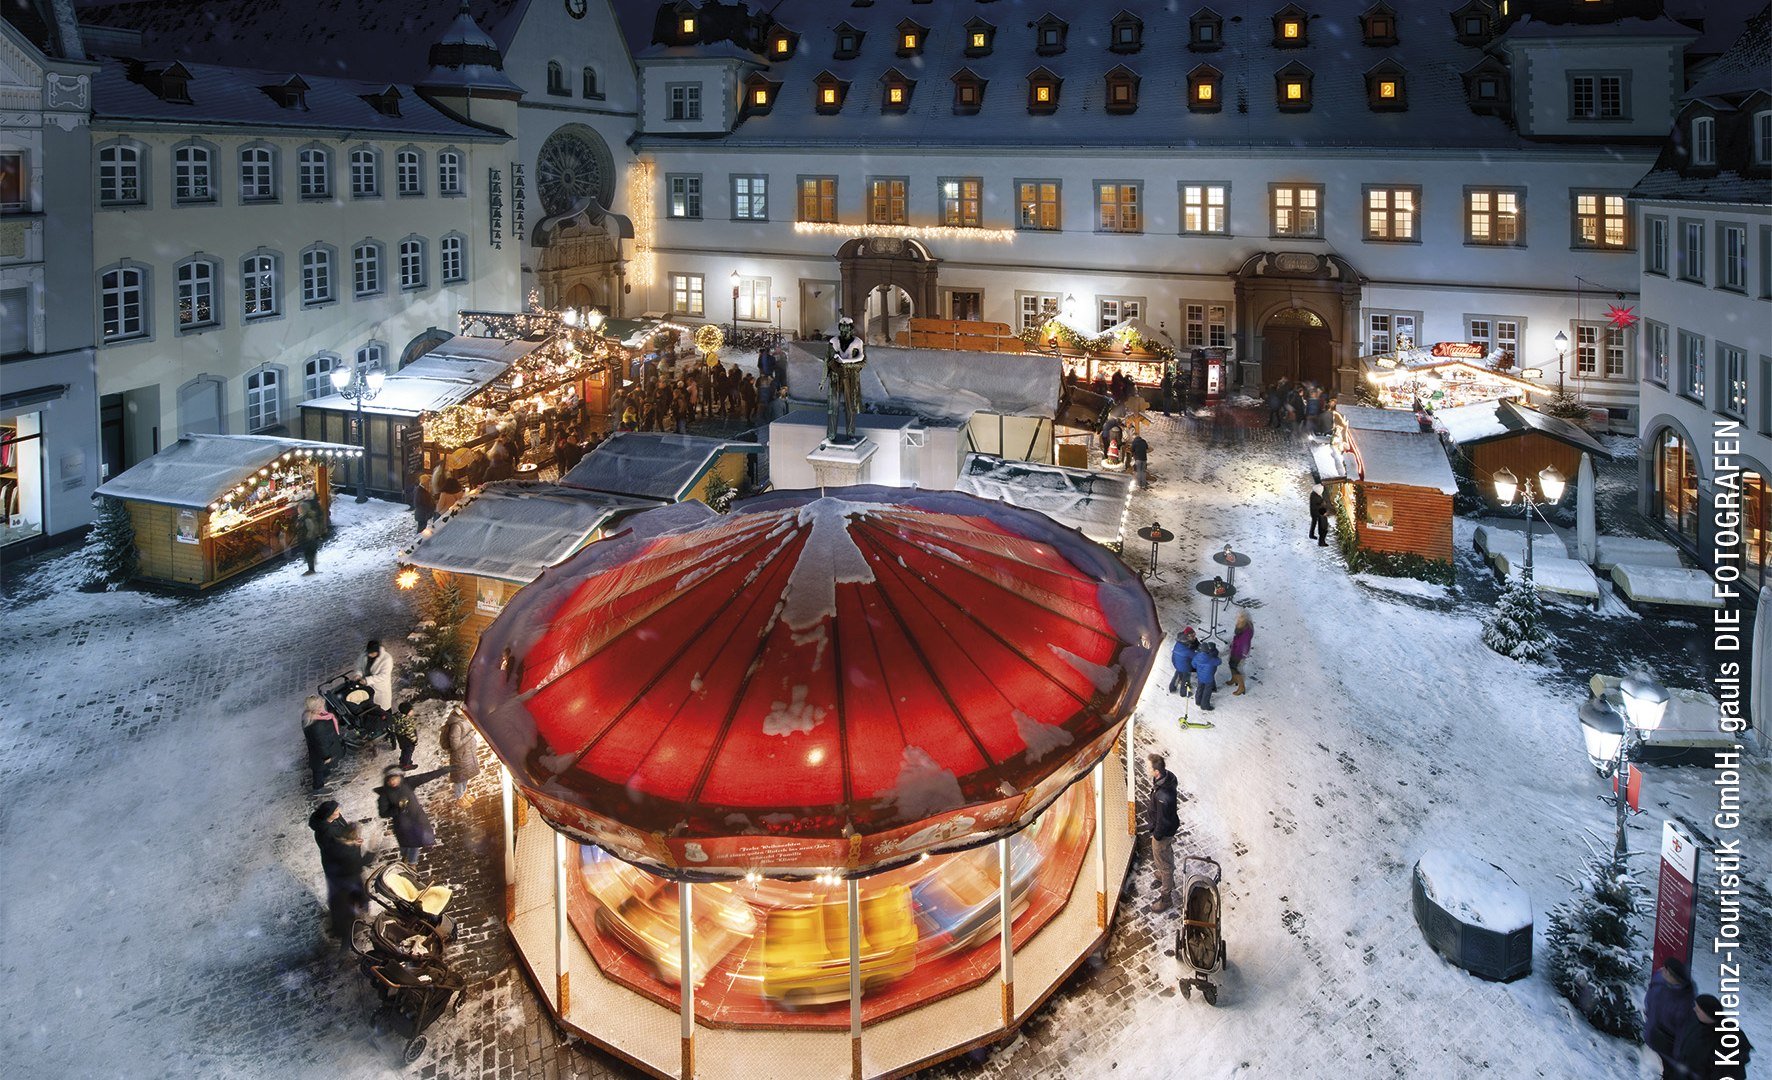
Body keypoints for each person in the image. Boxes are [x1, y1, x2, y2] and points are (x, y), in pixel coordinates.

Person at [1672, 994, 1752, 1079]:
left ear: (1708, 1013)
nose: (1694, 1009)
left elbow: (1732, 1072)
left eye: (1698, 1009)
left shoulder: (1726, 1040)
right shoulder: (1698, 1021)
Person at [376, 765, 441, 864]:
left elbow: (426, 777)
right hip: (402, 826)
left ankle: (412, 864)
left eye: (395, 778)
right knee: (406, 845)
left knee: (415, 844)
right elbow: (383, 813)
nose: (393, 782)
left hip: (417, 820)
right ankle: (406, 859)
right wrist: (398, 809)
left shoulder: (407, 784)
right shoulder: (385, 794)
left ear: (400, 777)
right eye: (390, 779)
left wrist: (444, 770)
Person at [1644, 958, 1697, 1077]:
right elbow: (1650, 995)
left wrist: (1679, 1057)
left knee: (1671, 1071)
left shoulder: (1685, 1003)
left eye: (1666, 970)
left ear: (1674, 977)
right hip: (1655, 1032)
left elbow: (1683, 1033)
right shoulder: (1659, 978)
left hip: (1669, 1043)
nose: (1661, 970)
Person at [1147, 754, 1180, 913]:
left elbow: (1163, 820)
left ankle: (1166, 897)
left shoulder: (1163, 796)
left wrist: (1157, 835)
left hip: (1163, 832)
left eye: (1149, 767)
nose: (1147, 769)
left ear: (1156, 772)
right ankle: (1166, 876)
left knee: (1163, 860)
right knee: (1166, 854)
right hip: (1169, 828)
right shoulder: (1166, 779)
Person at [301, 694, 342, 792]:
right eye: (321, 706)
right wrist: (326, 756)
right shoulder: (317, 725)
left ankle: (326, 775)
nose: (323, 707)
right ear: (316, 708)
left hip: (320, 748)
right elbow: (320, 743)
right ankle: (318, 787)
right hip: (322, 751)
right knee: (318, 768)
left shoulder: (309, 717)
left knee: (321, 766)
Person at [442, 705, 481, 805]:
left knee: (466, 775)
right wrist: (470, 735)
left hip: (467, 753)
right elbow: (455, 745)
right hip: (461, 755)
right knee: (460, 777)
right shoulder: (456, 726)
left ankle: (464, 793)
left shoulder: (463, 720)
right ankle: (459, 797)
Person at [354, 640, 396, 713]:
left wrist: (367, 680)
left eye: (372, 653)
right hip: (366, 687)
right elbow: (359, 666)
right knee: (370, 708)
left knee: (383, 709)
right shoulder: (364, 655)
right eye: (369, 653)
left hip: (380, 688)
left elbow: (383, 675)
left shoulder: (387, 659)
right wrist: (358, 674)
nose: (370, 655)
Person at [295, 496, 324, 575]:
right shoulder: (301, 518)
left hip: (309, 540)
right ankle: (310, 568)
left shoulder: (306, 519)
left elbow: (311, 529)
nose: (298, 510)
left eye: (299, 508)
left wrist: (308, 537)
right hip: (306, 540)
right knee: (308, 554)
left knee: (309, 554)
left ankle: (311, 569)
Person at [1228, 612, 1254, 696]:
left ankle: (1241, 687)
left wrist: (1242, 653)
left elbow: (1245, 644)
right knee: (1231, 664)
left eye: (1241, 617)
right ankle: (1234, 679)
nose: (1238, 618)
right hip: (1235, 649)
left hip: (1239, 653)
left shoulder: (1247, 630)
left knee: (1236, 668)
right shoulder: (1241, 625)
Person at [1192, 641, 1222, 711]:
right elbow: (1219, 662)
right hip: (1209, 678)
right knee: (1207, 691)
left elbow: (1193, 665)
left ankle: (1198, 701)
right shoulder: (1211, 659)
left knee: (1200, 688)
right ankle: (1205, 705)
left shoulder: (1197, 657)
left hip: (1200, 676)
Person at [390, 700, 419, 771]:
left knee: (404, 749)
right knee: (409, 750)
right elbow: (410, 733)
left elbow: (392, 726)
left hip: (400, 737)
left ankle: (402, 761)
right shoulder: (407, 721)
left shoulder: (396, 717)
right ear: (408, 712)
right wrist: (414, 741)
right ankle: (406, 765)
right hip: (407, 739)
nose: (413, 711)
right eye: (412, 710)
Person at [1168, 628, 1198, 695]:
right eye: (1193, 636)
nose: (1194, 637)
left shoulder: (1181, 641)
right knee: (1186, 679)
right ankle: (1184, 692)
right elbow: (1196, 656)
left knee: (1178, 673)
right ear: (1188, 636)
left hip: (1177, 662)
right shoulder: (1186, 650)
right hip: (1185, 667)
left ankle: (1172, 687)